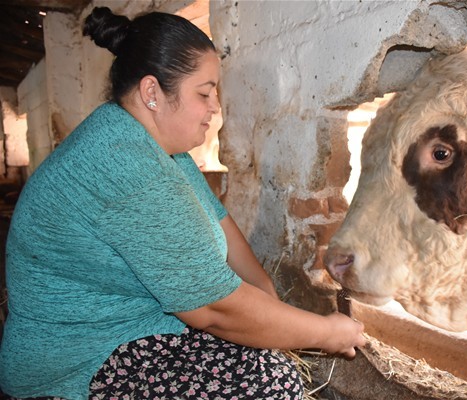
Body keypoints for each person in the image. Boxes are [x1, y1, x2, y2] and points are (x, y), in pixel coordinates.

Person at [0, 7, 365, 400]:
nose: (215, 108)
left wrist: (265, 301)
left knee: (266, 362)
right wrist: (327, 333)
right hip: (79, 358)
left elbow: (223, 227)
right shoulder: (122, 163)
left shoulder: (167, 152)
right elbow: (214, 310)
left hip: (135, 326)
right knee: (269, 384)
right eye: (204, 93)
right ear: (152, 93)